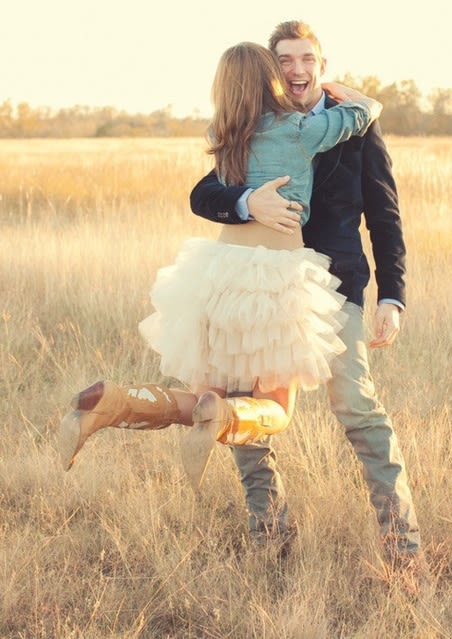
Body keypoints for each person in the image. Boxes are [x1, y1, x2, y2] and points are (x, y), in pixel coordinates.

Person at [60, 42, 382, 492]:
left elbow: (212, 192)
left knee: (199, 397)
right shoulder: (299, 129)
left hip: (218, 274)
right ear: (272, 79)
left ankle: (112, 402)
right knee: (275, 410)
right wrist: (343, 89)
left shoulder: (226, 134)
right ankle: (227, 416)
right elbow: (362, 113)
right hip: (276, 277)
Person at [190, 21, 425, 581]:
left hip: (334, 289)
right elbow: (204, 192)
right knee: (245, 411)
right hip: (266, 290)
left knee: (358, 409)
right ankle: (272, 538)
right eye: (285, 60)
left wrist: (393, 294)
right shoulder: (257, 126)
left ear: (322, 64)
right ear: (274, 67)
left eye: (306, 59)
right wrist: (248, 203)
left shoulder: (359, 131)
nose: (296, 70)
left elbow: (384, 215)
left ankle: (404, 550)